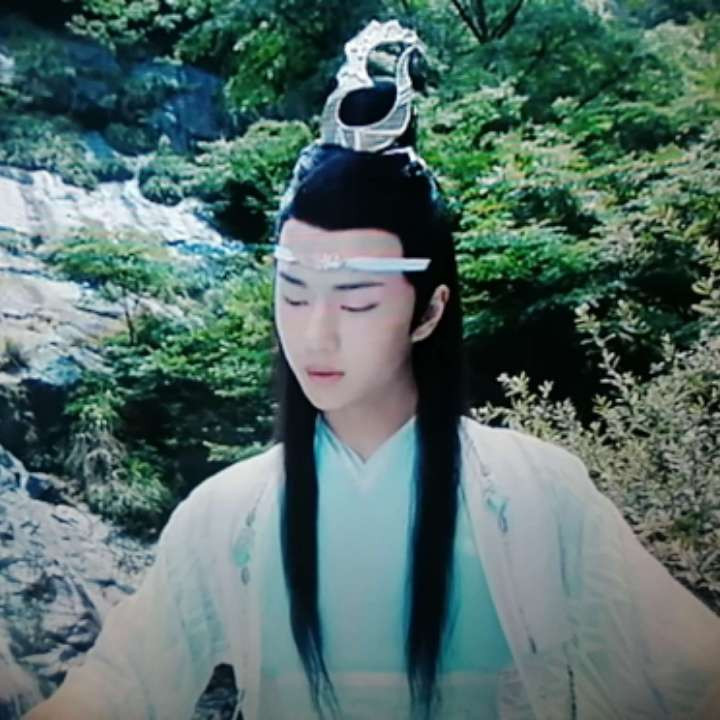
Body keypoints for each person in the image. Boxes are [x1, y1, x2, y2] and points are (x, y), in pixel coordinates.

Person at [24, 19, 720, 720]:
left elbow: (690, 671)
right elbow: (115, 691)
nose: (315, 335)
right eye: (295, 296)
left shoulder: (533, 493)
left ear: (429, 310)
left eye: (356, 301)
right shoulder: (229, 514)